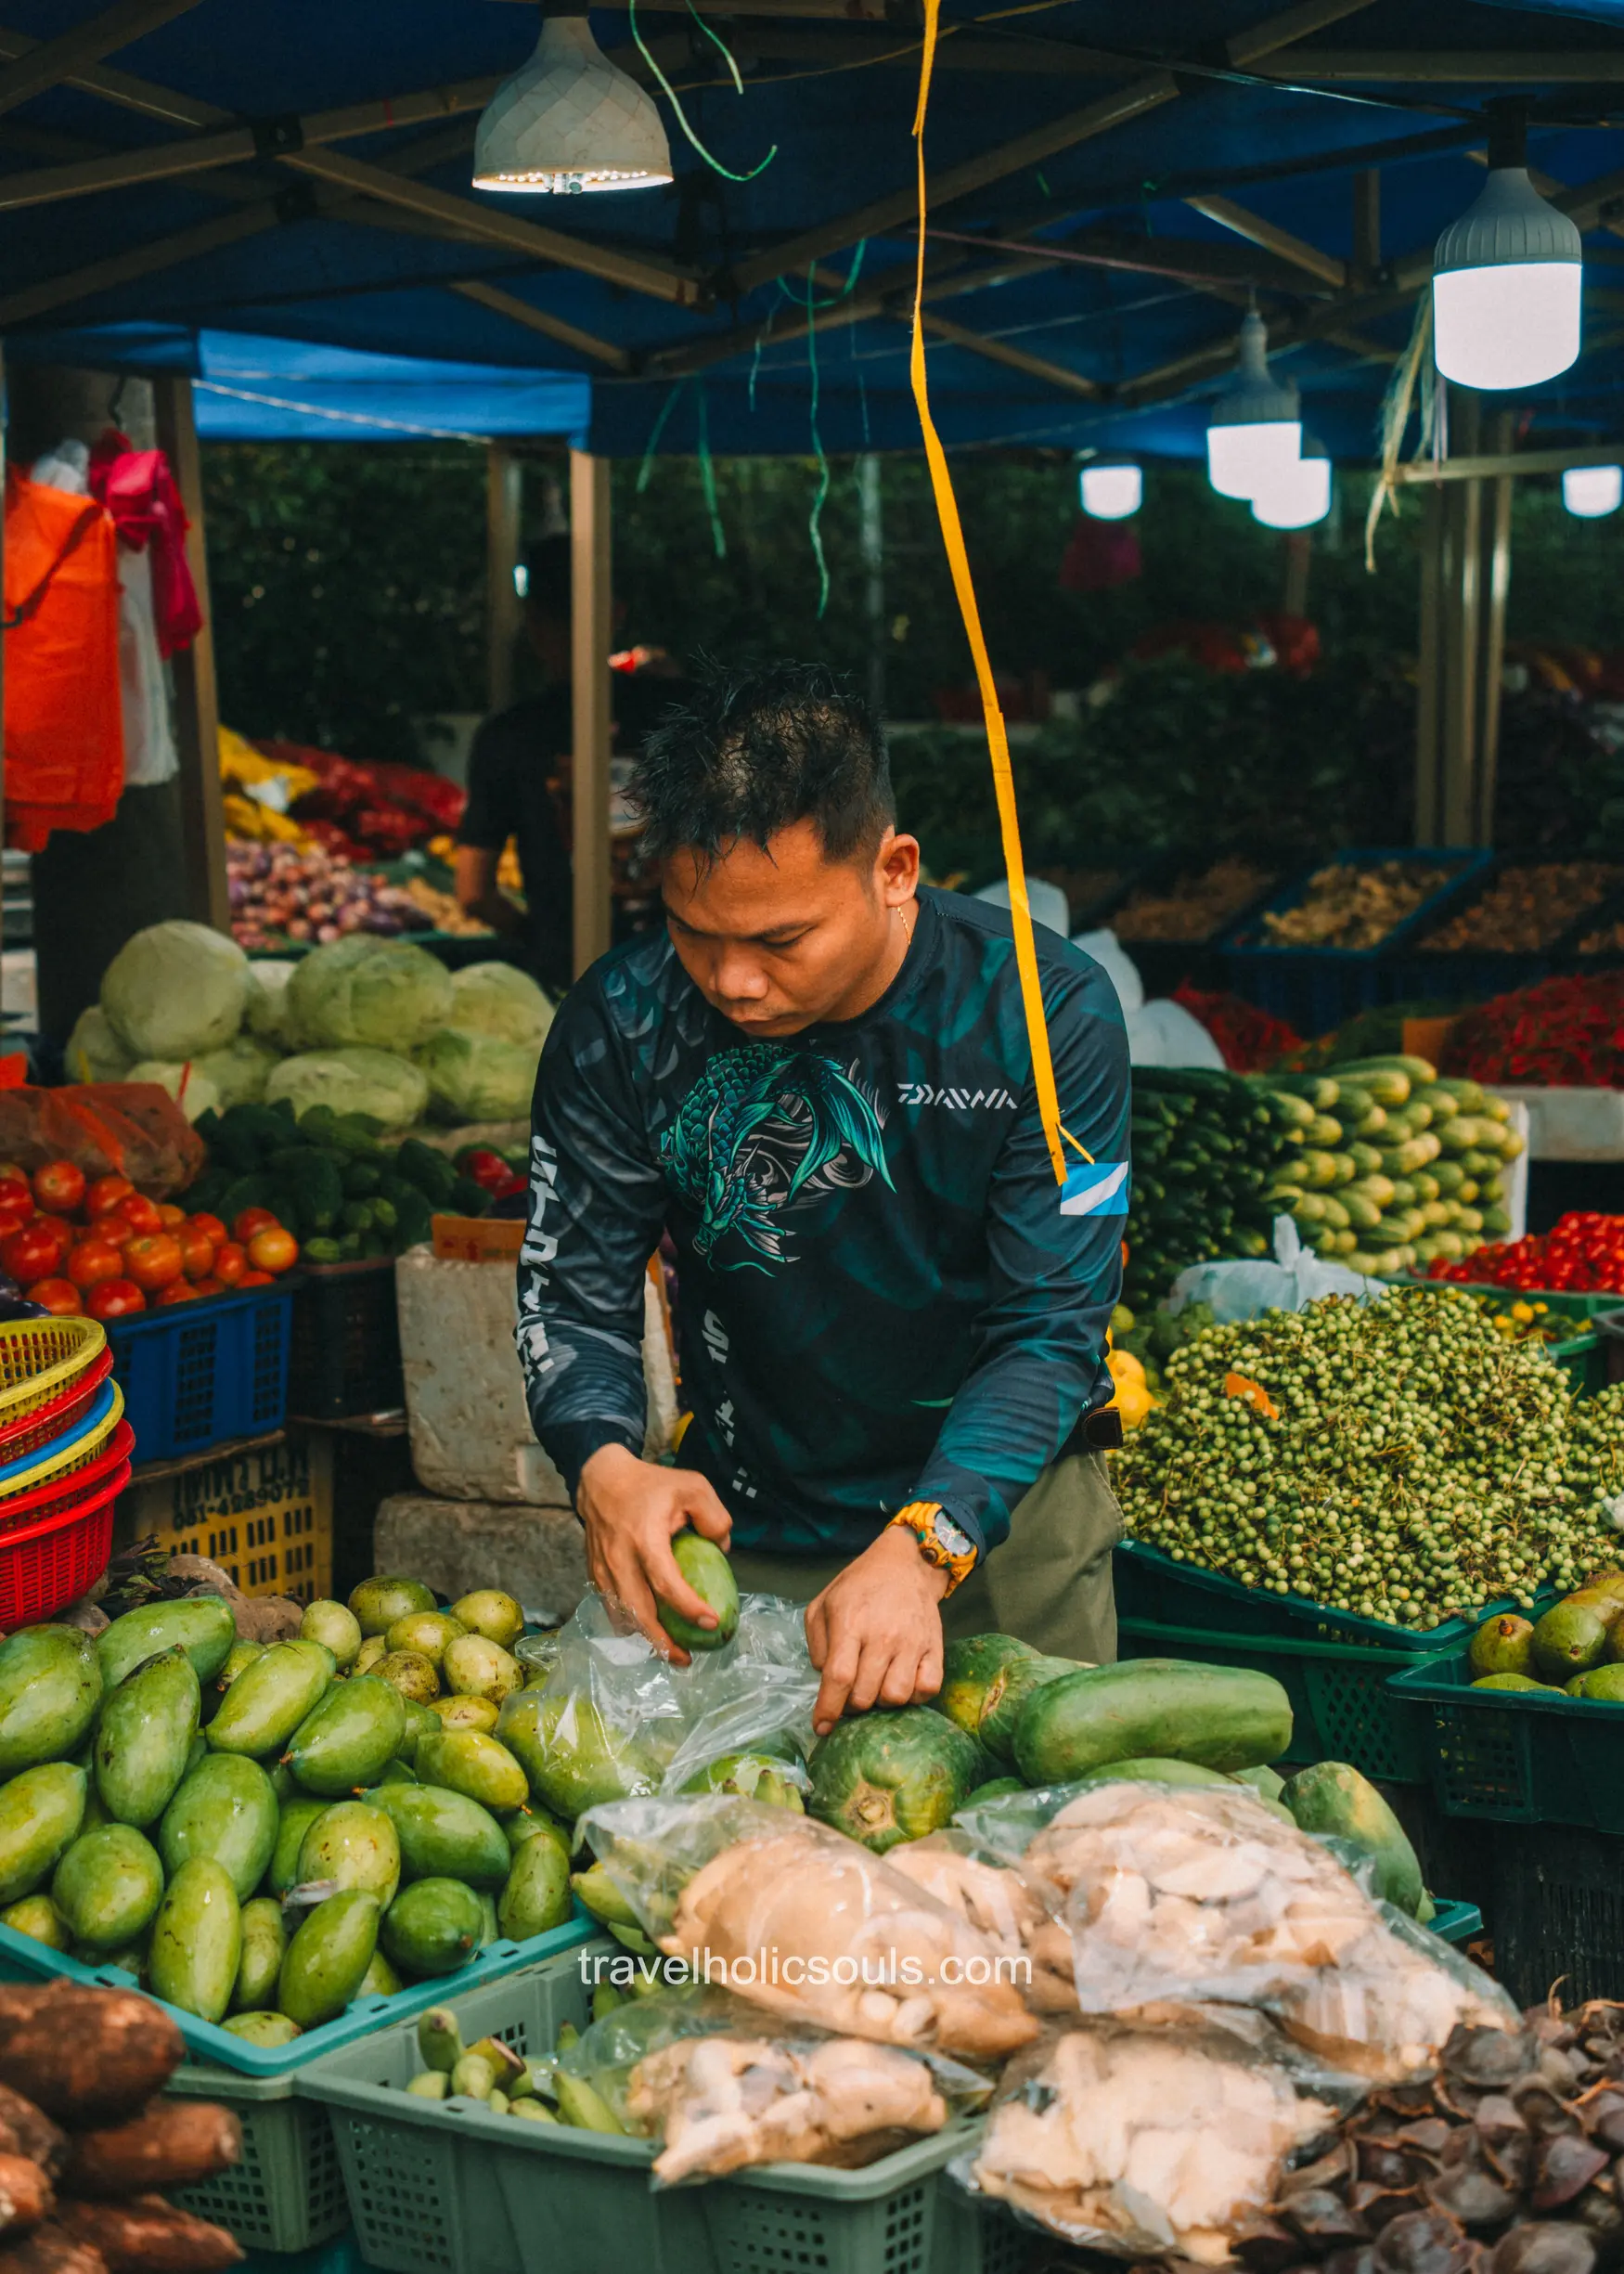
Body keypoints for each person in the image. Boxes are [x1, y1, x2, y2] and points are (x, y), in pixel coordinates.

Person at [514, 660, 1130, 1736]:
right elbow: (572, 1283)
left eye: (780, 939)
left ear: (893, 869)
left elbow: (1050, 1324)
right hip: (751, 1520)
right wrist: (602, 1463)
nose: (732, 979)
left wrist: (926, 1543)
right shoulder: (622, 1020)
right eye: (693, 930)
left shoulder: (1039, 1007)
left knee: (1034, 1865)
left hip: (1004, 1520)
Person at [455, 534, 683, 989]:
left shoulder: (508, 736)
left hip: (568, 980)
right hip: (684, 975)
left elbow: (474, 891)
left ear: (533, 624)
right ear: (616, 613)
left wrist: (538, 937)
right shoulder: (683, 711)